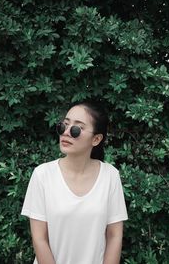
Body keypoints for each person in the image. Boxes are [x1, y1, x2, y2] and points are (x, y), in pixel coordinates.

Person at [21, 100, 128, 264]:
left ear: (96, 139)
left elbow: (114, 236)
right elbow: (39, 238)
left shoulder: (110, 176)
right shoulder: (42, 175)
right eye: (64, 125)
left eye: (77, 128)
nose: (66, 133)